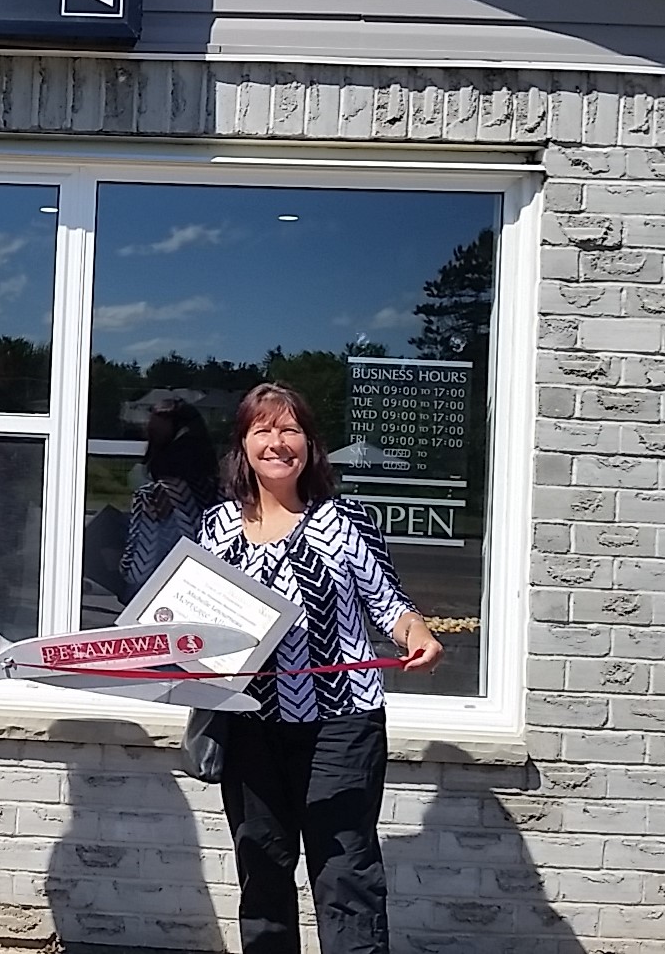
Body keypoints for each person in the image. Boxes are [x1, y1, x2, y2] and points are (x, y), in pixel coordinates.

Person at [196, 383, 444, 954]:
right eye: (263, 430)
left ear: (310, 444)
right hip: (249, 721)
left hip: (342, 724)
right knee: (261, 870)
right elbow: (195, 621)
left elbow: (392, 607)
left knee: (345, 871)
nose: (278, 442)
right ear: (242, 443)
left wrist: (419, 634)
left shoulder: (344, 520)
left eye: (291, 430)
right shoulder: (216, 527)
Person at [119, 398, 219, 601]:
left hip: (162, 575)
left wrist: (123, 568)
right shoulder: (214, 484)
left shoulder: (157, 493)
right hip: (201, 578)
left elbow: (139, 559)